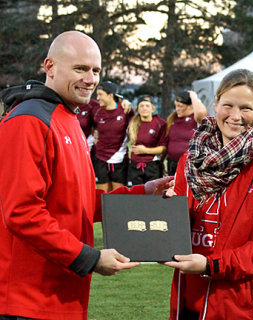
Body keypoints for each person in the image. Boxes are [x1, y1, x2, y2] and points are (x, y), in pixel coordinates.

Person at [0, 30, 172, 320]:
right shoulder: (29, 120)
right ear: (50, 67)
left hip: (62, 297)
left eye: (95, 70)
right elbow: (21, 211)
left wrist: (143, 193)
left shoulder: (68, 118)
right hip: (28, 301)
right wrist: (89, 258)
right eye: (80, 68)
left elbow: (75, 202)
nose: (91, 79)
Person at [164, 69, 253, 319]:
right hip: (191, 301)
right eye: (228, 105)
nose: (235, 116)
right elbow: (181, 228)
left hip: (248, 308)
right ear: (215, 105)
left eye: (246, 108)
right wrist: (165, 218)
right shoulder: (191, 160)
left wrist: (212, 265)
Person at [93, 80, 133, 192]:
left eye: (100, 94)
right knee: (102, 195)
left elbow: (137, 125)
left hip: (119, 159)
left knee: (117, 195)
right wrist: (95, 133)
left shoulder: (125, 110)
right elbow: (92, 126)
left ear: (110, 95)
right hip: (100, 158)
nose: (98, 98)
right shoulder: (97, 111)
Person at [127, 95, 167, 186]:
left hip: (152, 165)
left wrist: (145, 150)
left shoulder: (160, 123)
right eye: (141, 106)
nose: (144, 108)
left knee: (152, 196)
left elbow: (164, 148)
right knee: (137, 195)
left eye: (147, 106)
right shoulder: (132, 123)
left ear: (152, 109)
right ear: (137, 108)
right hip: (135, 165)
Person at [166, 90, 207, 176]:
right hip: (172, 163)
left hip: (189, 163)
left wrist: (193, 96)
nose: (177, 109)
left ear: (191, 106)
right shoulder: (173, 119)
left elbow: (201, 113)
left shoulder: (196, 120)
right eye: (176, 106)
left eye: (180, 106)